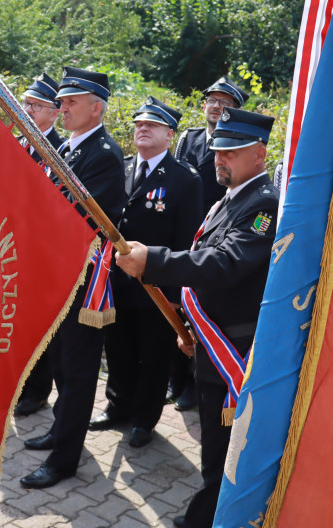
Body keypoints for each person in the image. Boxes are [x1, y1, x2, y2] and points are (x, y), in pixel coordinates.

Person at [116, 107, 277, 528]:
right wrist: (188, 321)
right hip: (211, 340)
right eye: (217, 149)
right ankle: (209, 513)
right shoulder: (230, 199)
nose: (219, 158)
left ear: (259, 154)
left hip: (235, 350)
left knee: (224, 454)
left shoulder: (264, 204)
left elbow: (226, 264)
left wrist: (154, 260)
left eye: (231, 151)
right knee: (215, 451)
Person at [20, 66, 126, 489]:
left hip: (83, 281)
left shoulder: (104, 154)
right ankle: (62, 430)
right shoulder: (68, 146)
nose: (62, 107)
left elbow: (77, 217)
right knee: (62, 363)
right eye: (60, 101)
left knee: (79, 371)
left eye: (71, 102)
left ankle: (65, 460)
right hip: (57, 274)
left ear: (96, 107)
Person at [90, 96, 203, 448]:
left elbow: (187, 242)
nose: (142, 128)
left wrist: (174, 294)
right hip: (116, 284)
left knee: (153, 356)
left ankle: (144, 419)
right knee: (118, 347)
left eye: (151, 125)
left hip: (156, 287)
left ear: (170, 134)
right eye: (139, 124)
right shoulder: (121, 168)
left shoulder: (185, 180)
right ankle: (117, 405)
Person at [169, 75, 249, 412]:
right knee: (177, 307)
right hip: (184, 235)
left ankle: (192, 382)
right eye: (212, 101)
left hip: (214, 238)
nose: (216, 107)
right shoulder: (188, 139)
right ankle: (176, 379)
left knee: (201, 309)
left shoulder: (239, 147)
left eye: (225, 103)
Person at [14, 72, 63, 417]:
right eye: (26, 103)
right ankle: (17, 383)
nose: (28, 109)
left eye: (36, 105)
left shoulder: (60, 149)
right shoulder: (18, 141)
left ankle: (37, 391)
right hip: (10, 245)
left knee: (38, 322)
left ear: (54, 112)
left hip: (40, 251)